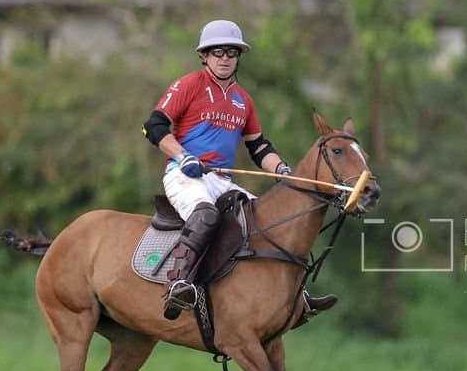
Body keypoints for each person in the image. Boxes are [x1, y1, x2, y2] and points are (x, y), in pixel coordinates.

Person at [141, 19, 337, 322]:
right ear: (204, 55)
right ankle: (178, 282)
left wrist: (282, 169)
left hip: (222, 180)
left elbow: (258, 146)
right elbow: (153, 126)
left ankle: (297, 296)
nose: (224, 58)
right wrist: (183, 157)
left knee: (265, 219)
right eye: (217, 52)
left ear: (238, 57)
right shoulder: (189, 85)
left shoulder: (243, 100)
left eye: (231, 53)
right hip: (185, 174)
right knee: (205, 214)